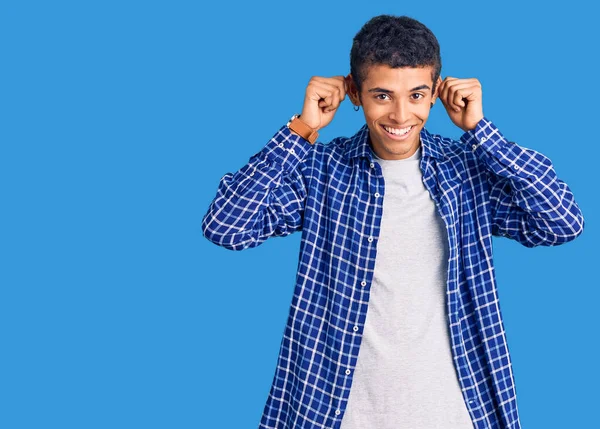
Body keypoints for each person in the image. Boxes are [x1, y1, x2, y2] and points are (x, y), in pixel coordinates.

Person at [201, 14, 584, 429]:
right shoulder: (323, 173)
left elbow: (561, 222)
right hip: (336, 413)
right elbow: (226, 225)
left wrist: (481, 132)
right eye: (382, 96)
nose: (401, 115)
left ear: (436, 93)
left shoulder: (466, 171)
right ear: (354, 93)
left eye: (417, 95)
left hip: (454, 412)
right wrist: (302, 129)